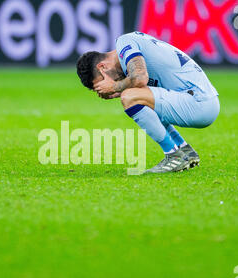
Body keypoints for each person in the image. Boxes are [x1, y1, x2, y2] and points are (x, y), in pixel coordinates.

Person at [76, 31, 220, 173]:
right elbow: (145, 89)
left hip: (199, 101)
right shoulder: (130, 52)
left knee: (129, 96)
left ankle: (174, 156)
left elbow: (140, 78)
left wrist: (113, 86)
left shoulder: (124, 42)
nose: (106, 87)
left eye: (101, 83)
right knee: (135, 95)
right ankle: (184, 150)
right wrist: (116, 91)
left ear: (102, 67)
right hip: (202, 100)